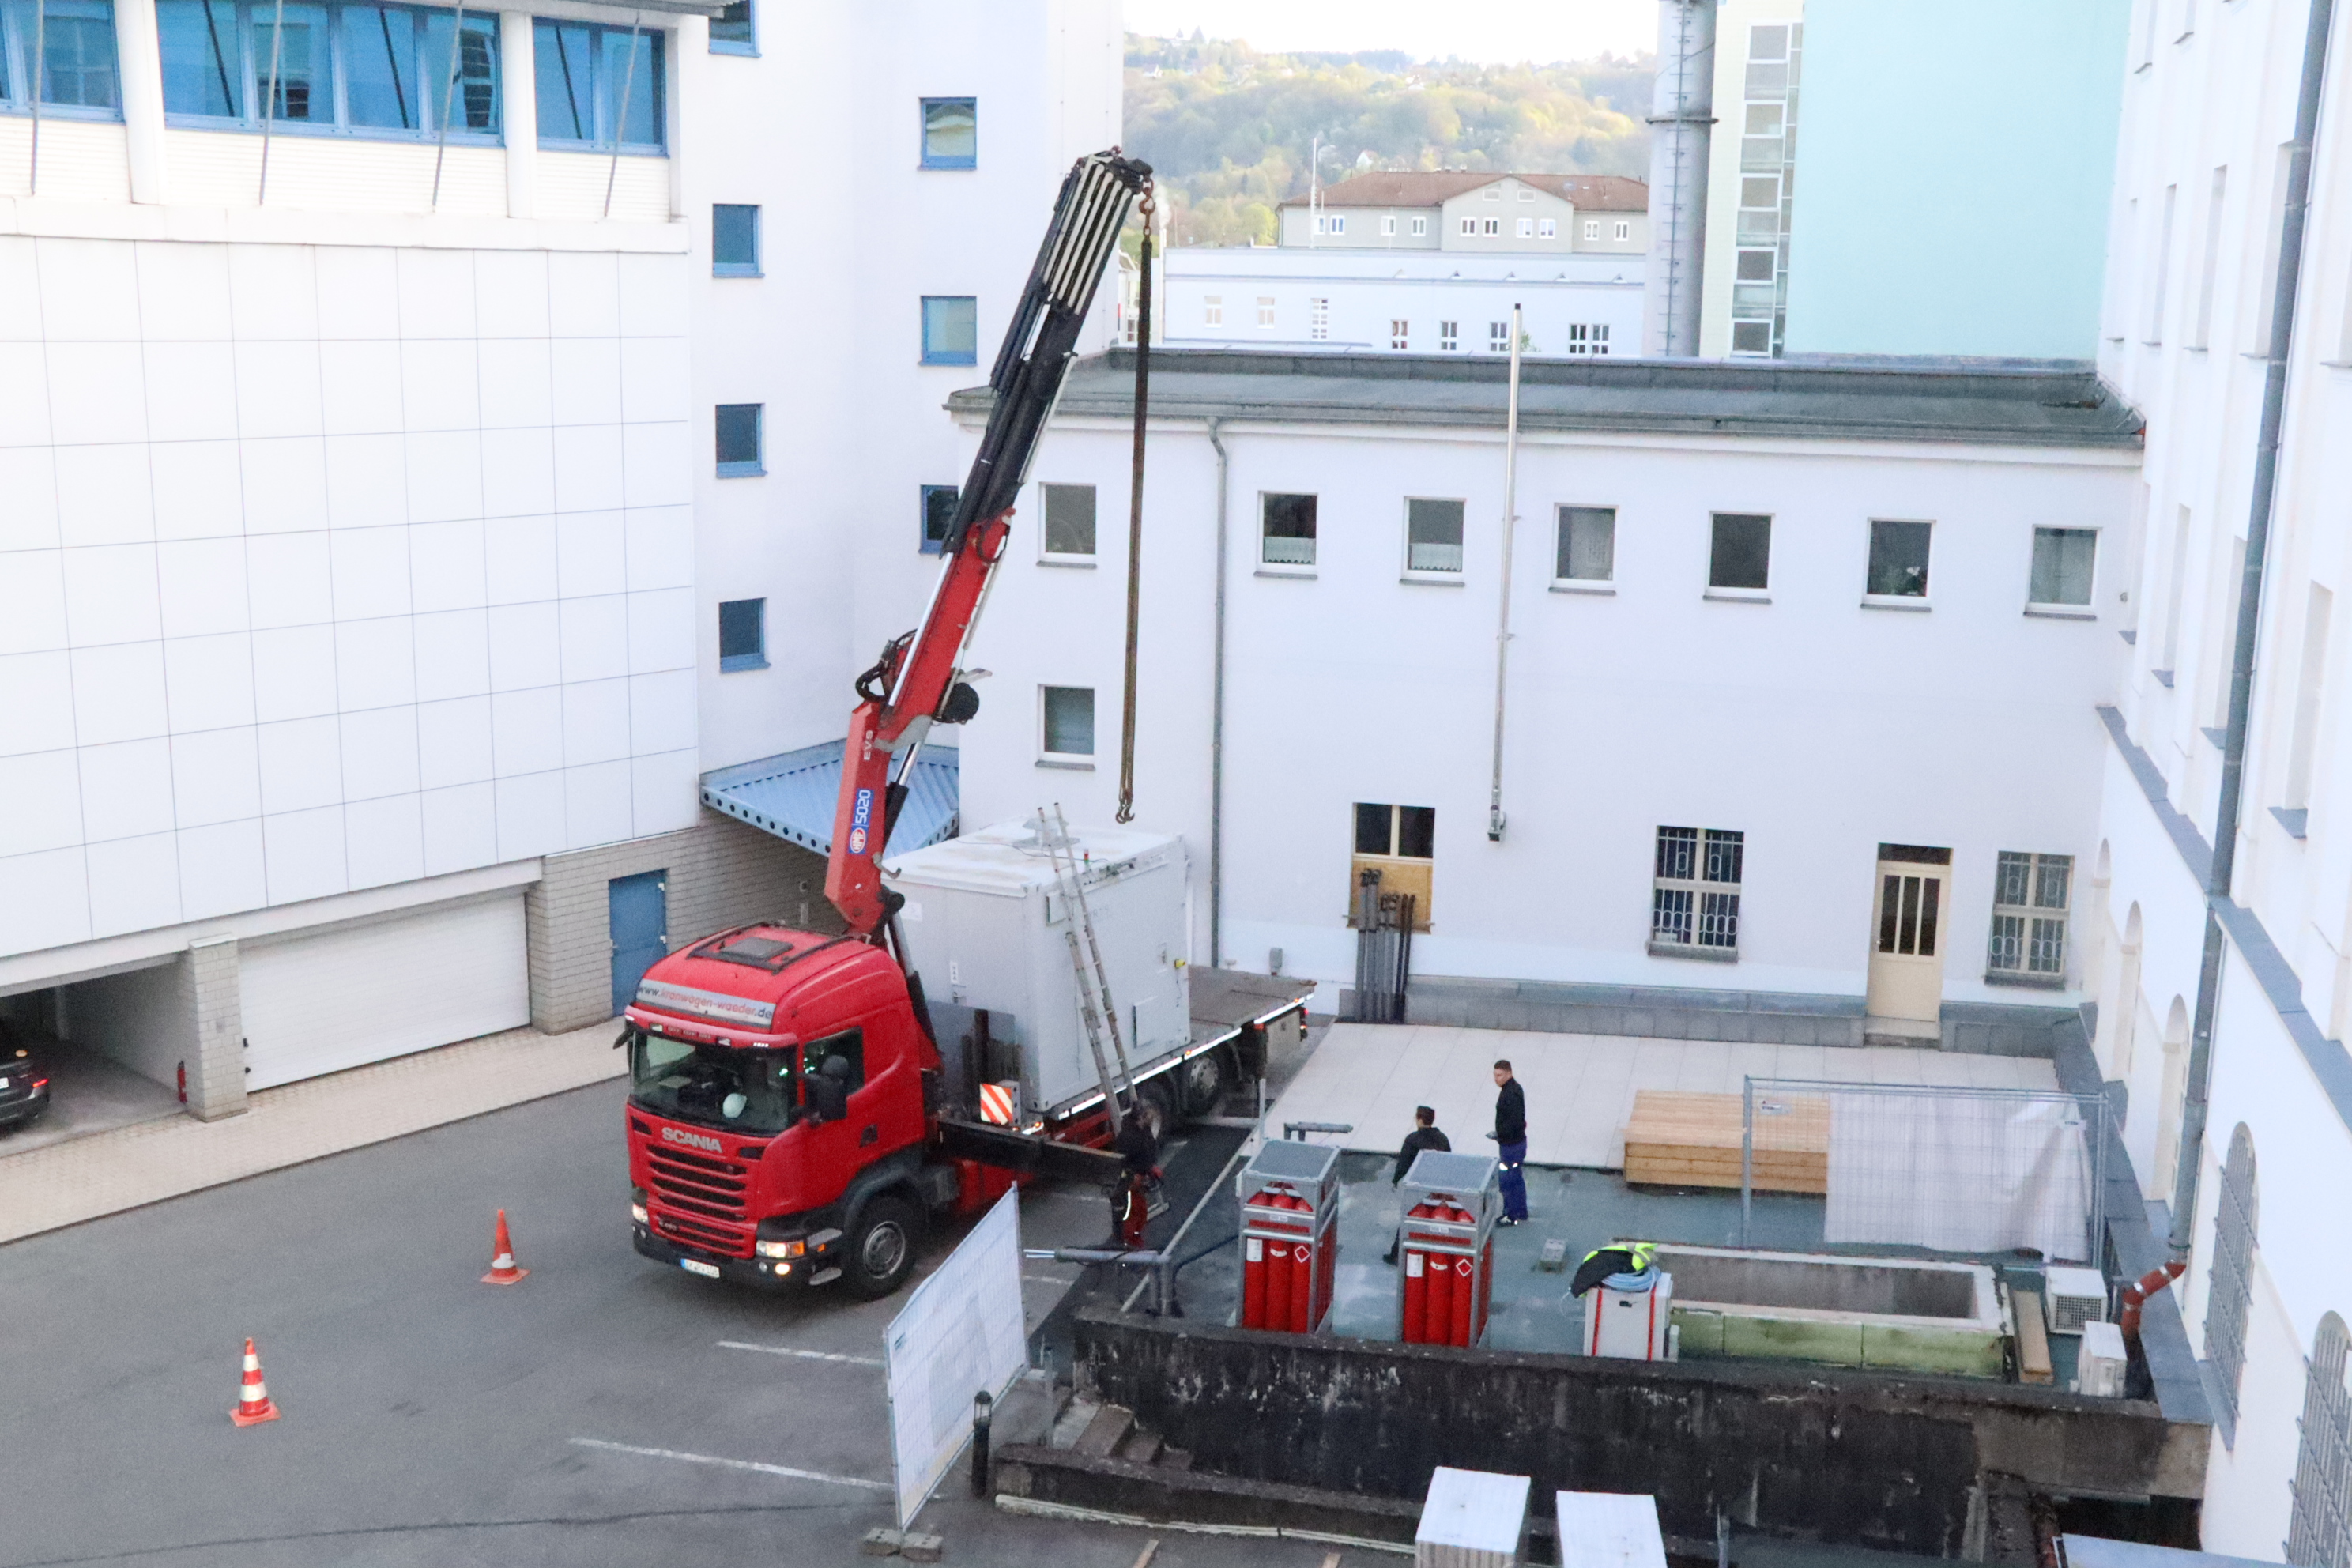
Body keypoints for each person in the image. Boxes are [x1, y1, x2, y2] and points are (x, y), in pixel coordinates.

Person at [1383, 1106, 1451, 1265]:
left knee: (1408, 1217)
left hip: (1418, 1186)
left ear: (1420, 1120)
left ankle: (1396, 1255)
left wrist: (1396, 1180)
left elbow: (1404, 1163)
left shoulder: (1412, 1140)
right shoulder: (1442, 1138)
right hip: (1438, 1187)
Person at [1484, 1060, 1529, 1226]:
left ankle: (1510, 1215)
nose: (1497, 1079)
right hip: (1517, 1144)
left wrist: (1500, 1135)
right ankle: (1521, 1212)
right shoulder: (1515, 1089)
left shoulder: (1509, 1094)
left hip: (1510, 1146)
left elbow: (1513, 1122)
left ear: (1509, 1073)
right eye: (1495, 1075)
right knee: (1517, 1177)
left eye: (1500, 1075)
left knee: (1507, 1181)